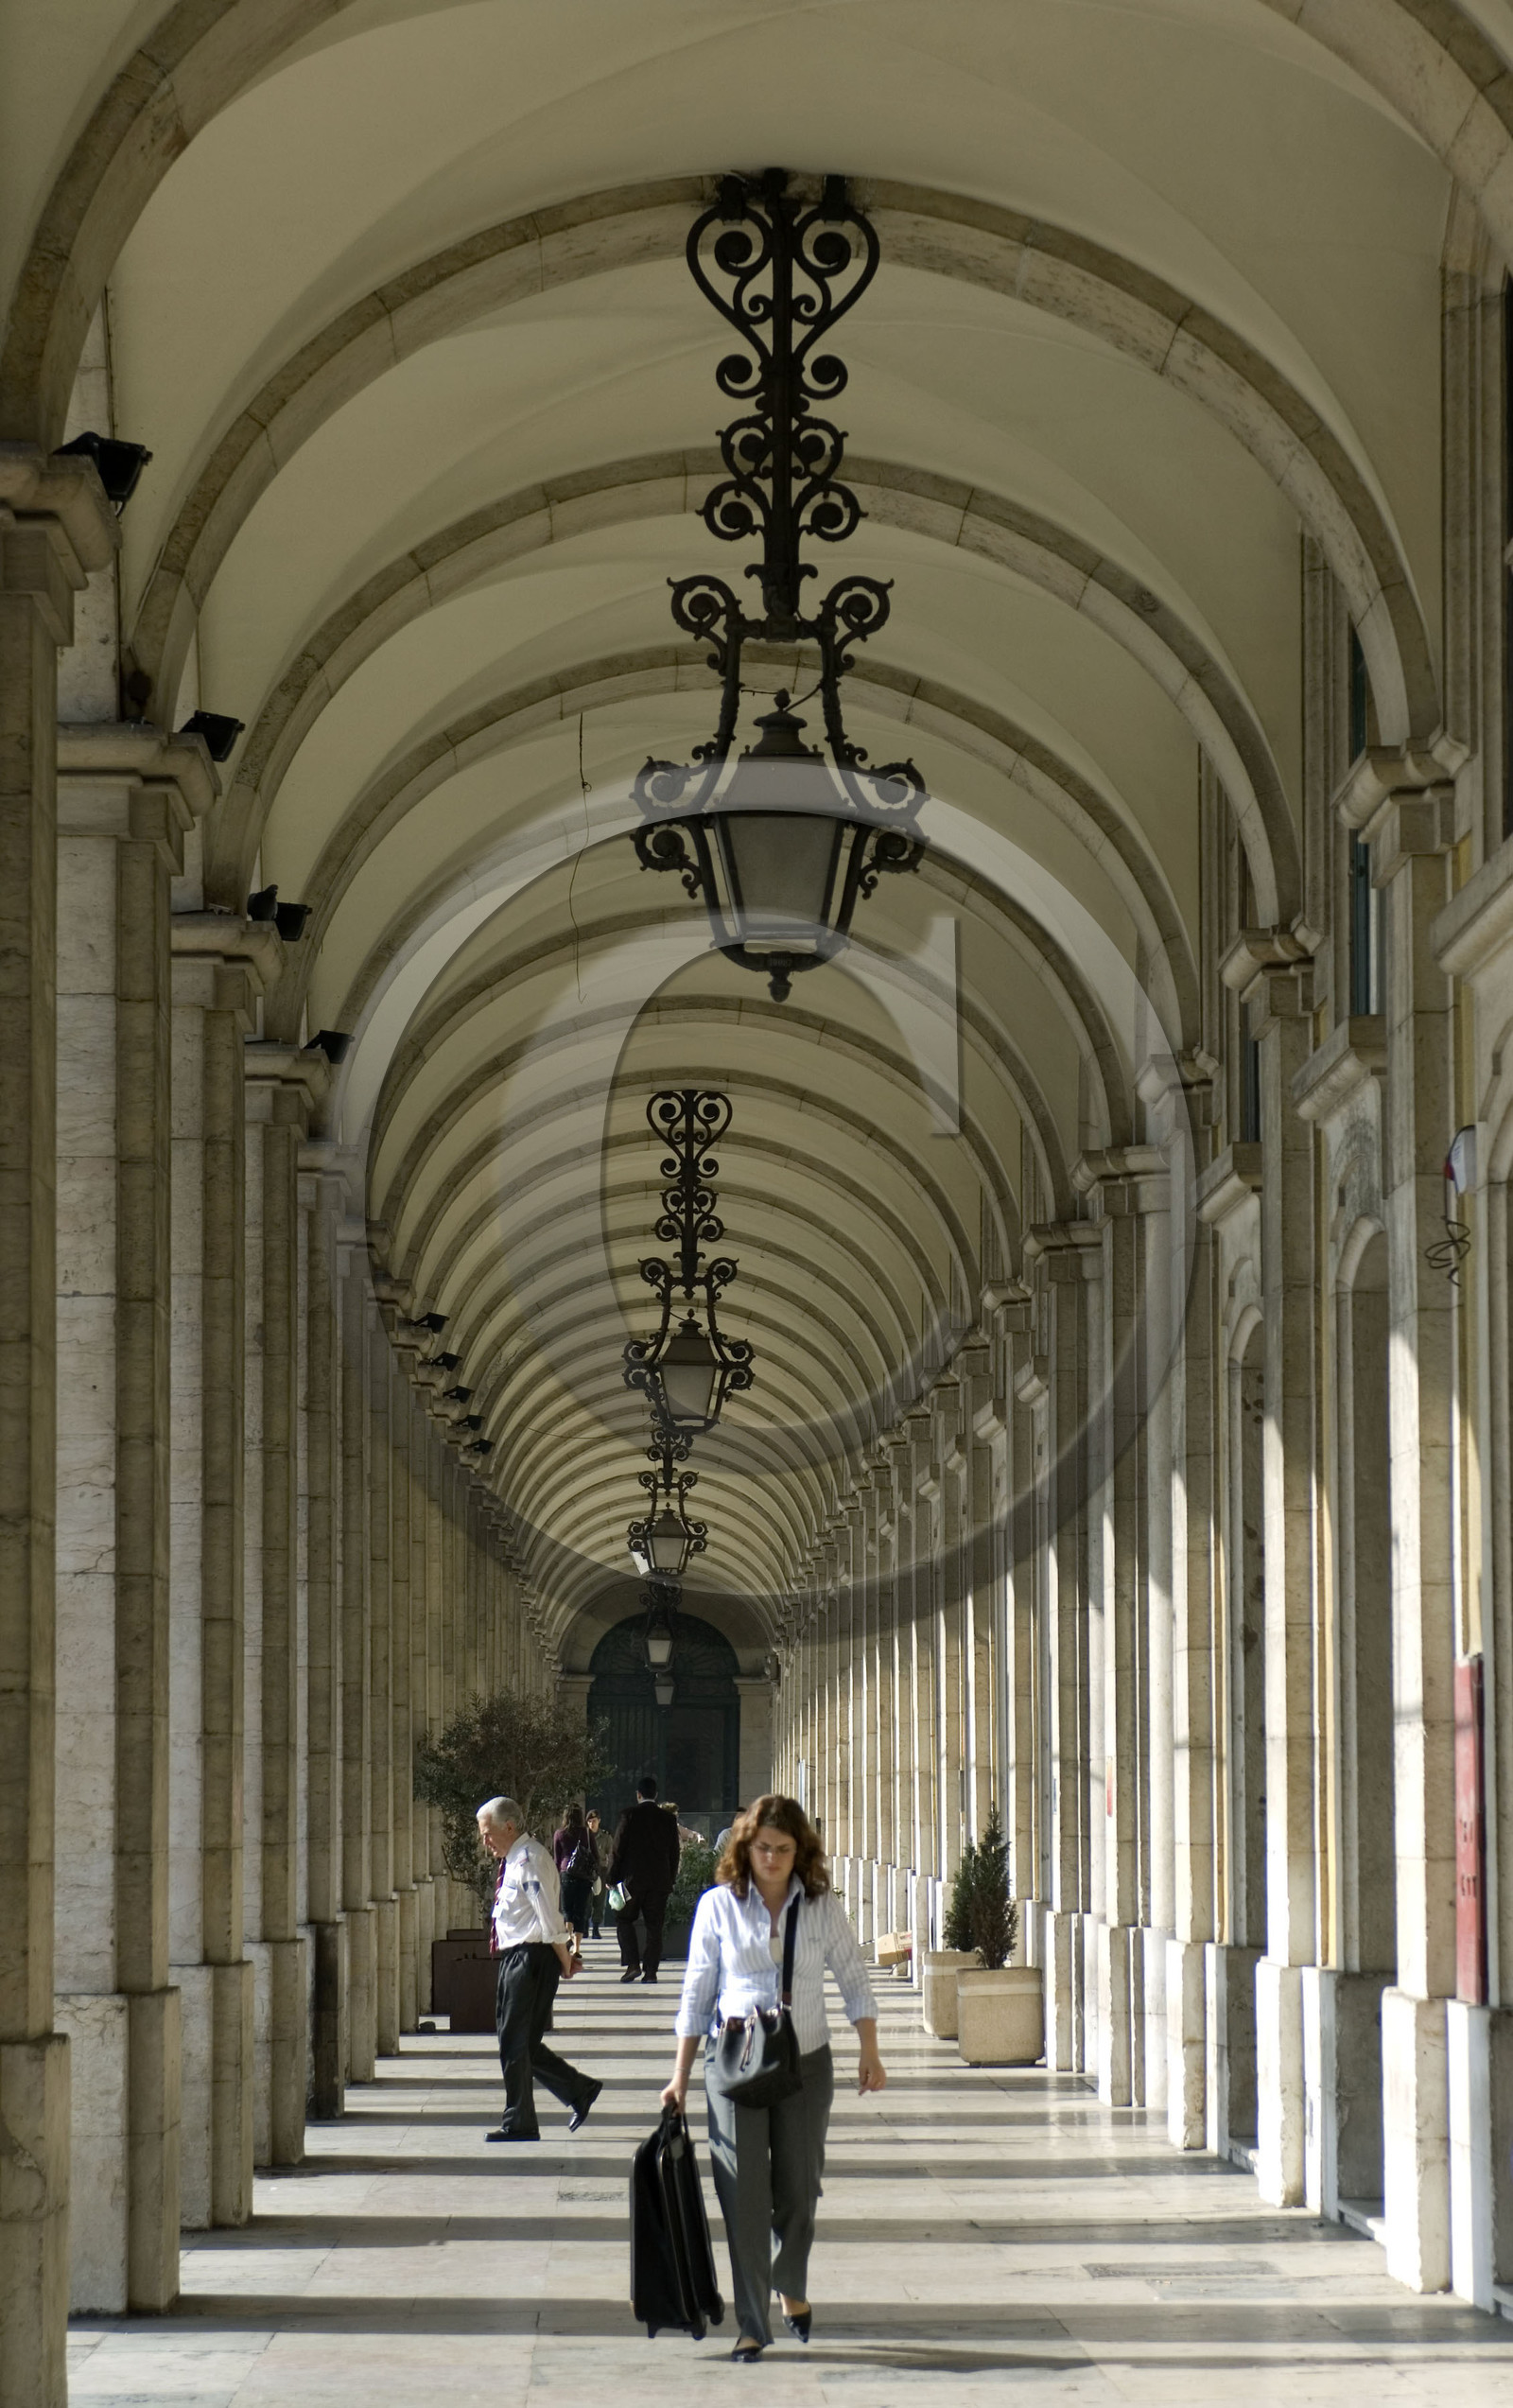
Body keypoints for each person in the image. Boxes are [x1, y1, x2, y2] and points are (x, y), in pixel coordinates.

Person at [663, 1793, 886, 2362]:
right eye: (763, 1848)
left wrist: (870, 2048)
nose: (772, 1859)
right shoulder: (717, 1906)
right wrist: (680, 2076)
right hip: (732, 2064)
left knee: (798, 2188)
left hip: (805, 2058)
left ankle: (790, 2282)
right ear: (746, 1847)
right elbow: (697, 1990)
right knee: (742, 2195)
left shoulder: (819, 1906)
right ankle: (752, 2323)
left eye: (784, 1850)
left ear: (800, 1852)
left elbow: (854, 1978)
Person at [477, 1795, 601, 2141]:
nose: (484, 1841)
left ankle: (519, 2121)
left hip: (532, 1958)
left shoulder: (529, 1860)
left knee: (515, 2042)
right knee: (520, 2043)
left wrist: (565, 1960)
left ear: (509, 1827)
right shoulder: (515, 1860)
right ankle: (579, 2091)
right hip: (517, 1957)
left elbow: (549, 1918)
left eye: (488, 1833)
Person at [607, 1772, 681, 1984]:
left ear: (638, 1795)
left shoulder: (628, 1815)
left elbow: (617, 1849)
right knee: (654, 1927)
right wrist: (671, 1878)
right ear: (655, 1795)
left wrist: (612, 1876)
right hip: (659, 1882)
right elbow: (674, 1852)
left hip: (632, 1881)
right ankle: (650, 1972)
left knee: (623, 1920)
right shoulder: (668, 1819)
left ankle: (632, 1964)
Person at [553, 1801, 598, 1938]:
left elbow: (557, 1858)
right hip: (584, 1874)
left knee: (567, 1910)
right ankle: (577, 1948)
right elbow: (595, 1855)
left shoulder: (559, 1834)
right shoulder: (587, 1833)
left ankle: (569, 1938)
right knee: (580, 1910)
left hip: (566, 1872)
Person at [584, 1806, 610, 1938]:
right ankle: (584, 1927)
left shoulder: (605, 1837)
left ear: (599, 1821)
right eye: (589, 1821)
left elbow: (611, 1855)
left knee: (599, 1902)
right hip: (585, 1872)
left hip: (600, 1871)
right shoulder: (584, 1836)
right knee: (586, 1901)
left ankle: (595, 1928)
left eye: (594, 1821)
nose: (591, 1824)